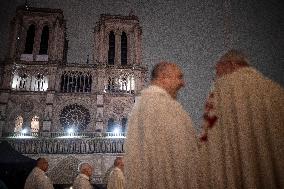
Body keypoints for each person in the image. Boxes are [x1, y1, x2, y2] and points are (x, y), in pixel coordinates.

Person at [200, 49, 284, 188]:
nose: (216, 77)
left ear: (231, 65)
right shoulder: (277, 90)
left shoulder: (222, 88)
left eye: (217, 71)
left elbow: (209, 136)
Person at [124, 62, 199, 189]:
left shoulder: (147, 102)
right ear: (164, 78)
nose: (183, 83)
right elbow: (175, 157)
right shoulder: (160, 104)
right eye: (179, 77)